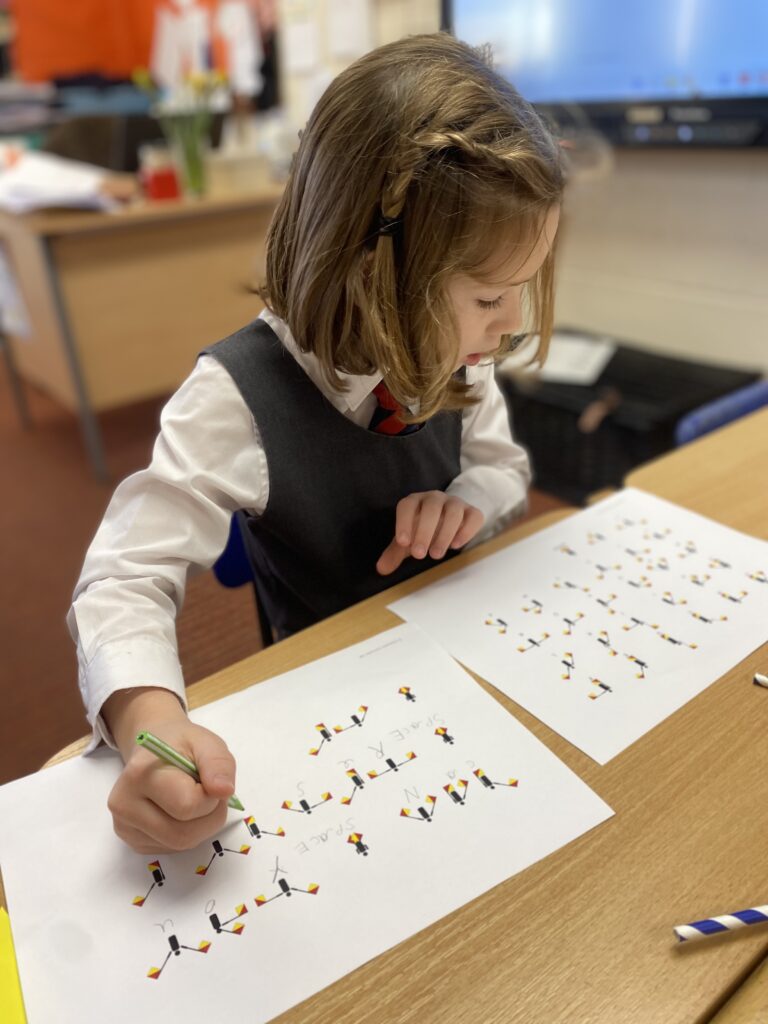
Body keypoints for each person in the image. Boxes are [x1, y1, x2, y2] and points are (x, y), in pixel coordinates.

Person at [68, 32, 564, 854]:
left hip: (461, 659)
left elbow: (505, 471)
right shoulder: (237, 395)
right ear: (375, 277)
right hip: (335, 704)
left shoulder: (461, 351)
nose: (512, 324)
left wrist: (470, 502)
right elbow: (123, 576)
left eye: (518, 292)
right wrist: (150, 719)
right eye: (489, 297)